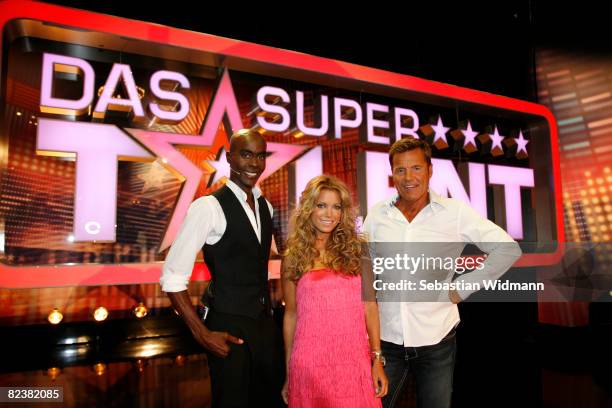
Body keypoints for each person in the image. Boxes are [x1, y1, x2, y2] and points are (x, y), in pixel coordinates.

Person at [362, 137, 522, 408]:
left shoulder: (454, 212)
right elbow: (367, 273)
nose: (408, 177)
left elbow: (508, 249)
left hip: (437, 339)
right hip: (387, 341)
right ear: (392, 174)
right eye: (400, 170)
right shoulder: (377, 215)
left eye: (416, 168)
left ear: (429, 170)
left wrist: (461, 288)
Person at [160, 129, 285, 407]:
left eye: (260, 156)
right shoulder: (208, 207)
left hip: (265, 324)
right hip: (228, 325)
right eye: (246, 154)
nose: (254, 163)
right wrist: (202, 333)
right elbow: (172, 277)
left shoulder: (267, 207)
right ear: (229, 158)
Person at [281, 175, 388, 407]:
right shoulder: (293, 257)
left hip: (354, 363)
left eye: (336, 207)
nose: (329, 214)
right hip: (309, 365)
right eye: (321, 205)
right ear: (309, 209)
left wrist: (377, 359)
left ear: (343, 212)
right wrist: (289, 371)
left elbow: (371, 306)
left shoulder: (359, 251)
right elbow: (291, 315)